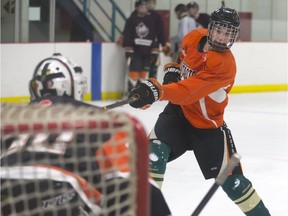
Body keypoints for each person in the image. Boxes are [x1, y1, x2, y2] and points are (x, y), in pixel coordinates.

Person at [128, 7, 271, 216]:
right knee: (152, 159)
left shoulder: (224, 64)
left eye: (229, 33)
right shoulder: (193, 37)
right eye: (220, 31)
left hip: (206, 126)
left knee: (235, 183)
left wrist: (158, 91)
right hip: (177, 115)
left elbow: (189, 91)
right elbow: (181, 60)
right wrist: (172, 71)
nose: (223, 38)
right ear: (210, 28)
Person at [1, 53, 171, 216]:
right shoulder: (96, 121)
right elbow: (133, 181)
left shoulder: (12, 122)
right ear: (74, 86)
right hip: (61, 195)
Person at [122, 1, 158, 96]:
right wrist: (129, 50)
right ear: (137, 8)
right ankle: (130, 91)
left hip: (147, 51)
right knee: (134, 72)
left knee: (144, 73)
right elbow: (127, 35)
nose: (143, 9)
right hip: (136, 51)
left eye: (145, 7)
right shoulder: (131, 20)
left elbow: (154, 36)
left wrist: (154, 51)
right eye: (141, 7)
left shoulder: (150, 20)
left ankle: (139, 92)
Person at [144, 0, 170, 79]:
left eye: (152, 3)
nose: (150, 5)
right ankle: (140, 87)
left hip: (154, 46)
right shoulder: (139, 14)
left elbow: (160, 32)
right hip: (142, 46)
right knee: (142, 68)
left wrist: (163, 45)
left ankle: (152, 85)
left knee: (153, 67)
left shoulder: (157, 16)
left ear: (155, 5)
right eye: (149, 3)